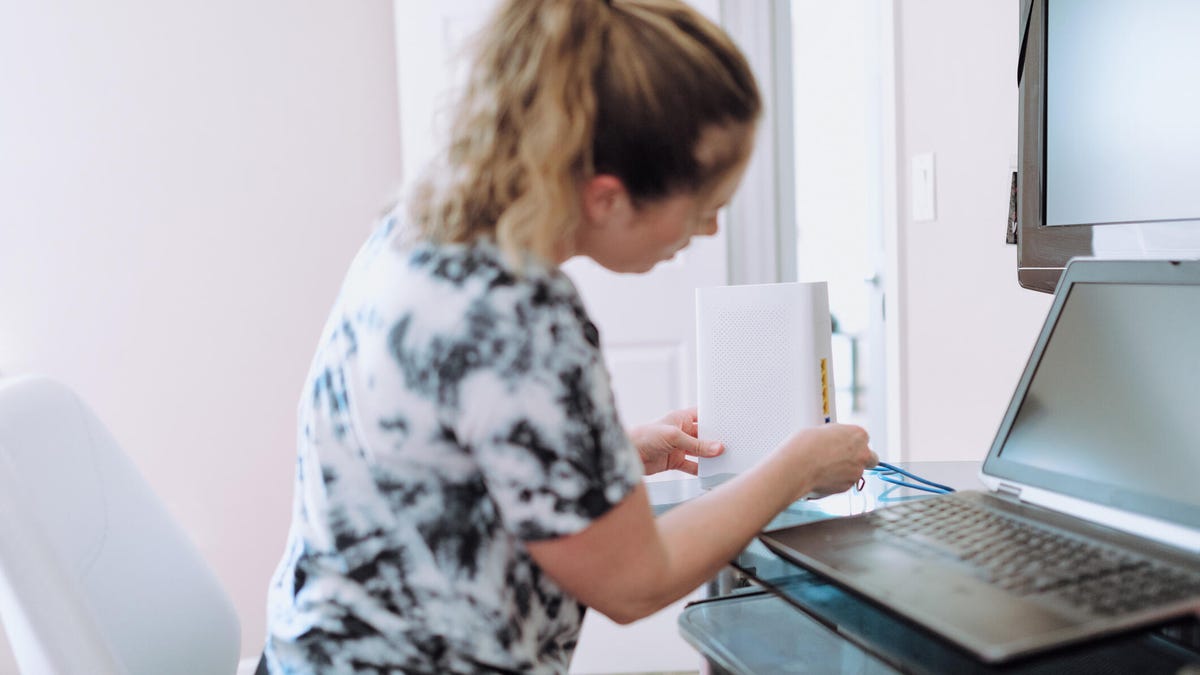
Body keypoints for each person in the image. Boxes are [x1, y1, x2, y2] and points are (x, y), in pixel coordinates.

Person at [261, 0, 877, 672]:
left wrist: (601, 459)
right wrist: (797, 468)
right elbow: (637, 578)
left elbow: (453, 458)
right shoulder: (520, 315)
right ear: (607, 197)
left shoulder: (420, 229)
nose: (708, 233)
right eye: (702, 207)